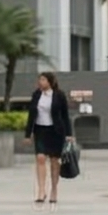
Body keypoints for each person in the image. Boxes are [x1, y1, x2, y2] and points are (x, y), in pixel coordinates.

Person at [25, 70, 75, 205]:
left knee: (54, 161)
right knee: (40, 158)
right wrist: (28, 134)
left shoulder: (59, 95)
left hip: (56, 131)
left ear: (50, 82)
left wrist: (69, 134)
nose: (40, 82)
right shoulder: (36, 95)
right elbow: (31, 115)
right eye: (39, 80)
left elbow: (65, 115)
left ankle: (54, 190)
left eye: (43, 80)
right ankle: (41, 191)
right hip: (40, 130)